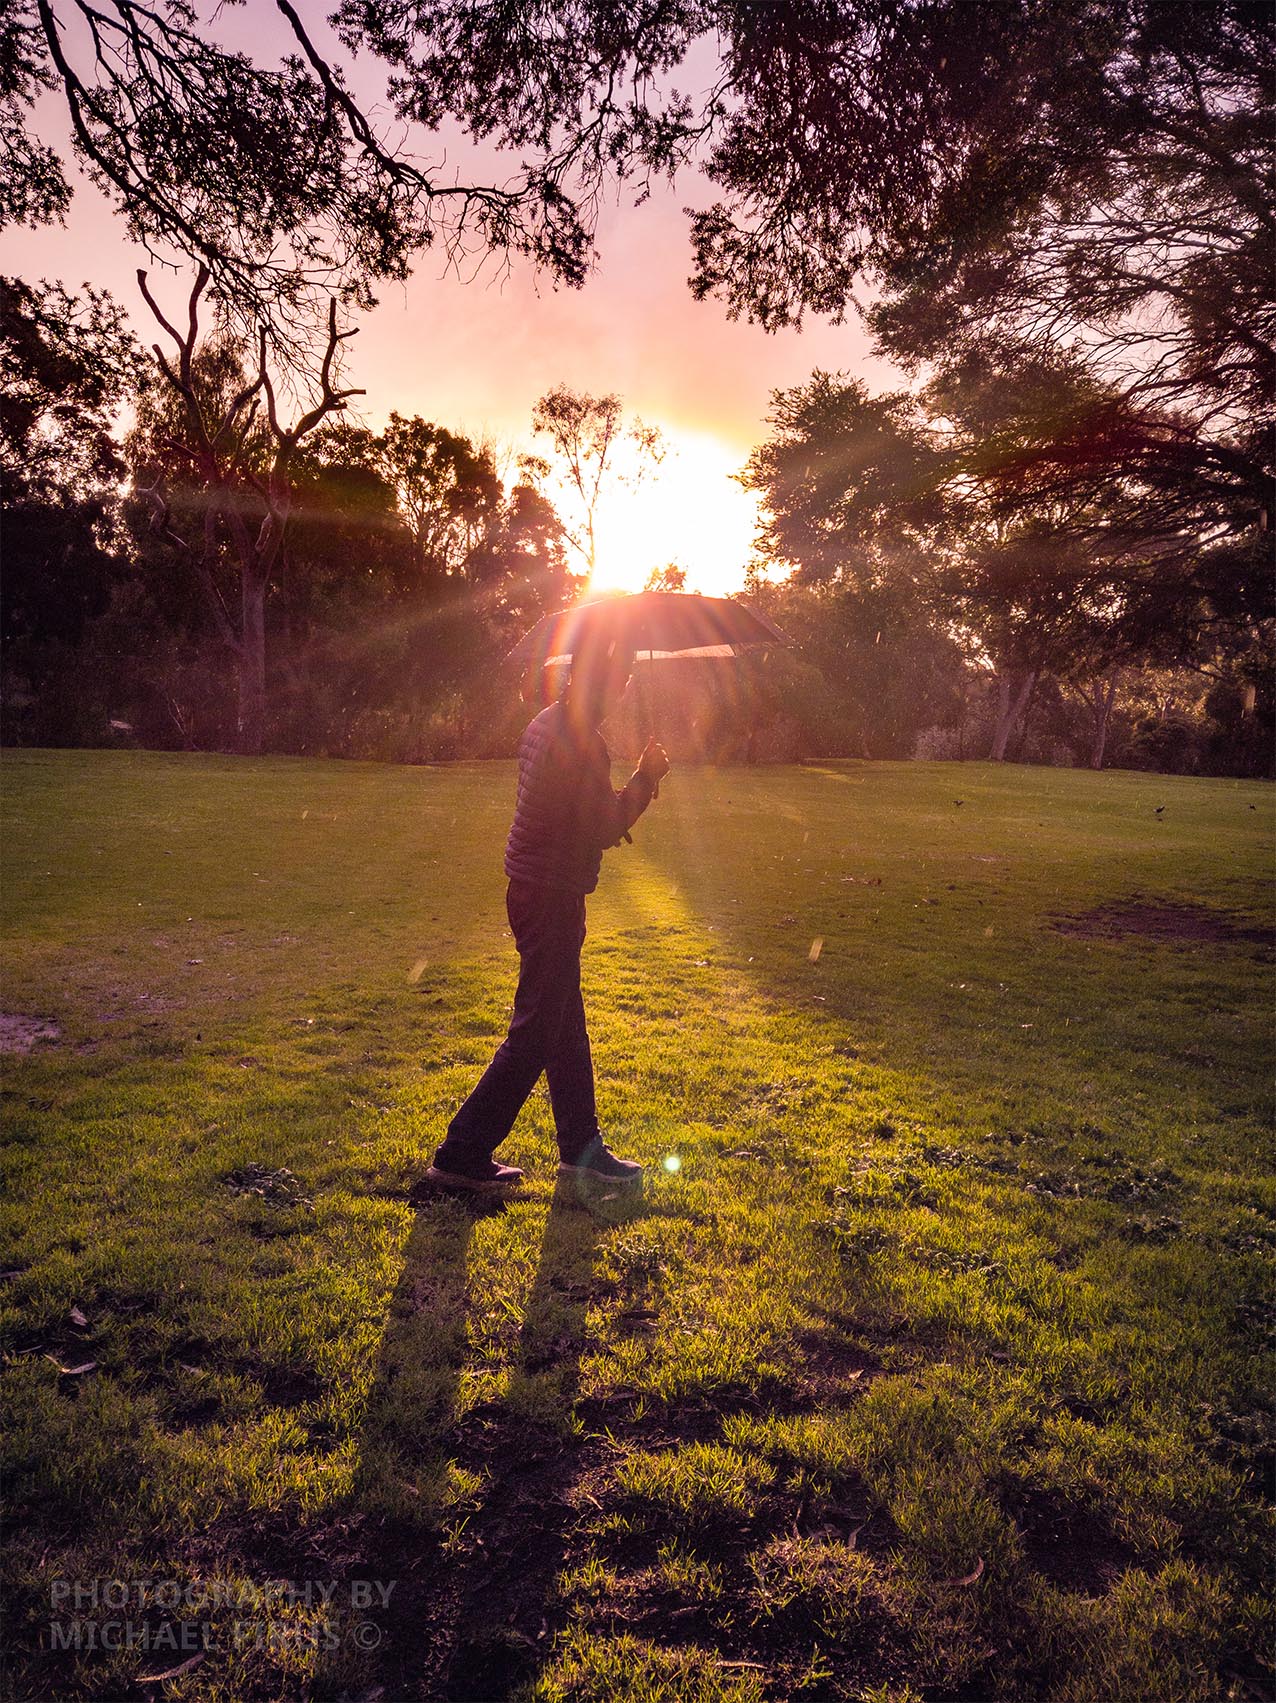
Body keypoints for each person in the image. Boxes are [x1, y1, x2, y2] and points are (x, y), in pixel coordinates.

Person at [427, 638, 670, 1192]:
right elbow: (603, 826)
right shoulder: (581, 741)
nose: (622, 691)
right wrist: (645, 778)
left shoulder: (546, 723)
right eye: (618, 681)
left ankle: (583, 1149)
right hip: (551, 895)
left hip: (531, 887)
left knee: (564, 1026)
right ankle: (461, 1153)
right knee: (538, 1030)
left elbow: (569, 811)